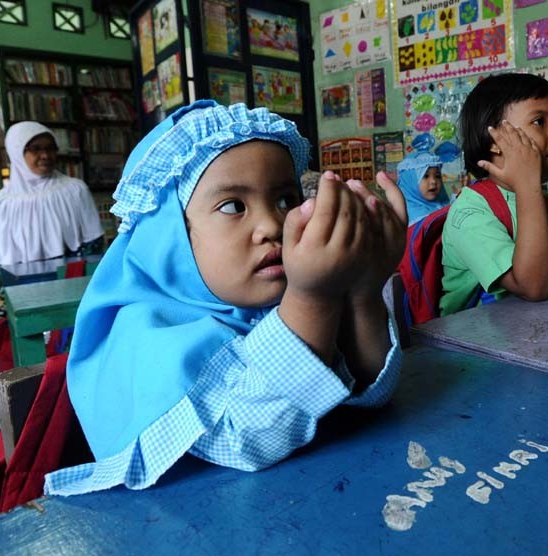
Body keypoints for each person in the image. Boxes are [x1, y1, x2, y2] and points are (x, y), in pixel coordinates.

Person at [43, 101, 406, 496]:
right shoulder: (147, 336)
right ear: (169, 238)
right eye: (233, 206)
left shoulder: (272, 298)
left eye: (285, 199)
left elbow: (370, 394)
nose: (272, 225)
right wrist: (311, 299)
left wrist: (365, 290)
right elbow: (253, 440)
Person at [440, 73, 548, 314]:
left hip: (530, 332)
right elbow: (533, 288)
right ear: (495, 139)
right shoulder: (470, 212)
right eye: (539, 122)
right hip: (468, 342)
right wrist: (527, 185)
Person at [0, 121, 104, 342]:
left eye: (50, 148)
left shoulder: (74, 190)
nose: (45, 155)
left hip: (72, 282)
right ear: (16, 152)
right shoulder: (2, 202)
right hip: (22, 289)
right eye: (36, 149)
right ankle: (26, 375)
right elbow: (0, 263)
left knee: (79, 329)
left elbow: (94, 244)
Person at [397, 151, 448, 225]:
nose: (433, 181)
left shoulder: (441, 203)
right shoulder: (417, 219)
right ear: (411, 182)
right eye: (426, 176)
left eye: (437, 176)